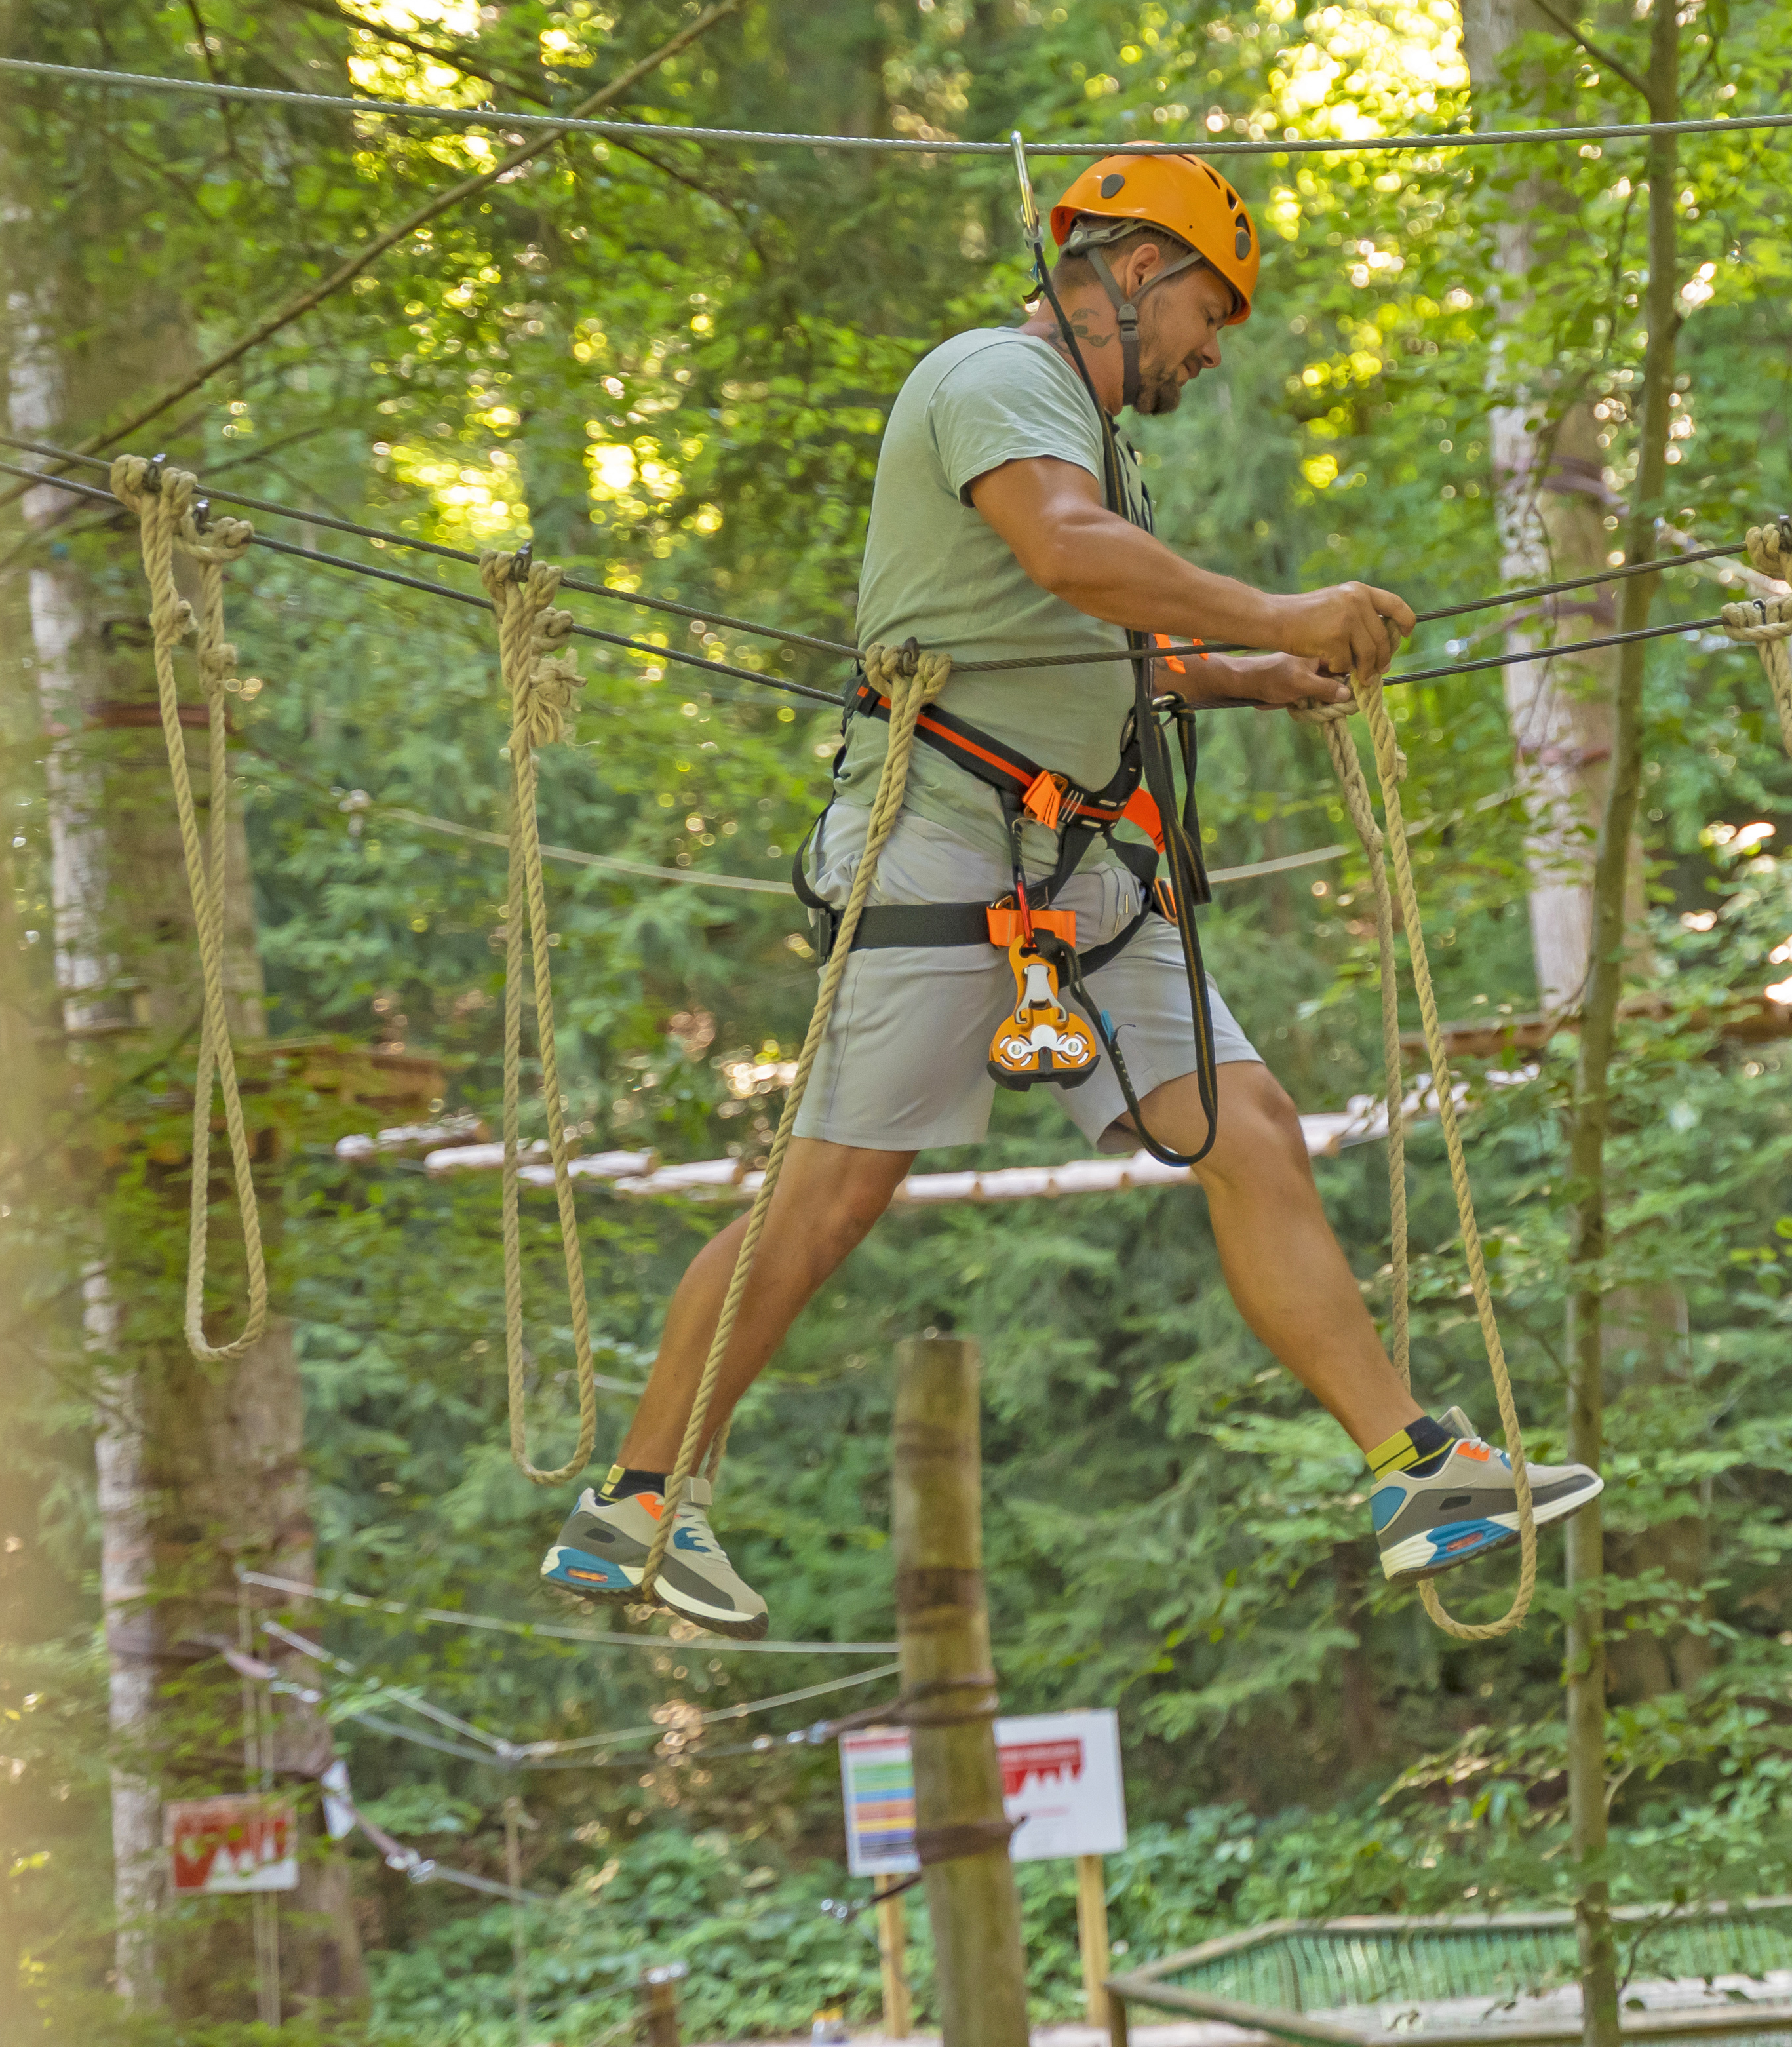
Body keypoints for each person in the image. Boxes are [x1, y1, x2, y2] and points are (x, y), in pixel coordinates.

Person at [537, 150, 1600, 1637]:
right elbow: (1066, 552)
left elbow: (1097, 636)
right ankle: (637, 1501)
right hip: (939, 843)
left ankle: (1414, 1471)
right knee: (837, 1186)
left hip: (1079, 864)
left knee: (1251, 1127)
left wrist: (1252, 671)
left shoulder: (1094, 436)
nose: (1217, 349)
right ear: (1137, 271)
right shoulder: (997, 376)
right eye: (1214, 312)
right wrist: (1283, 603)